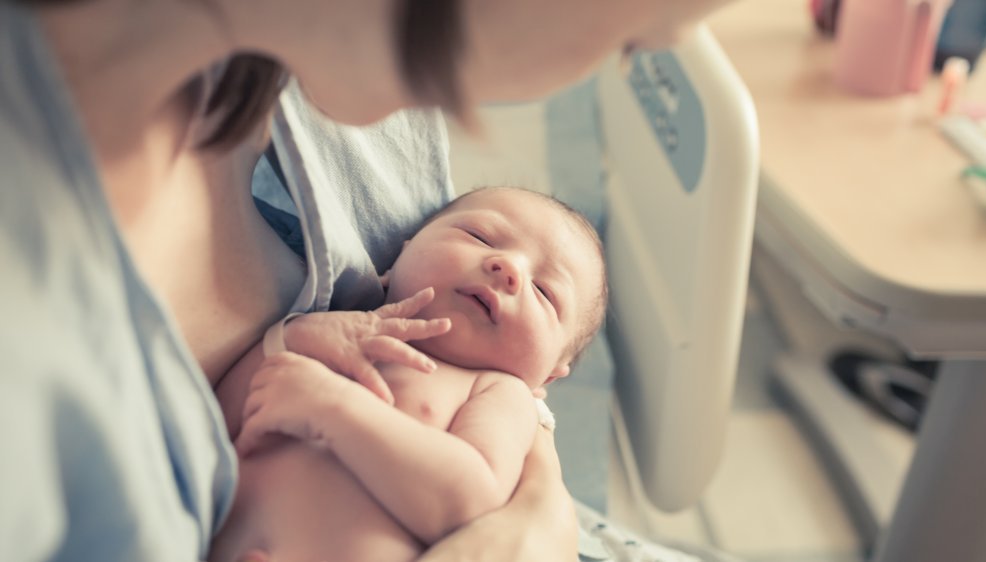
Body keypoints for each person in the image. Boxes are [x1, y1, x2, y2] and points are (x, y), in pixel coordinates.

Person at [0, 0, 736, 560]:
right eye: (634, 39)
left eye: (546, 293)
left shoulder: (342, 66)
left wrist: (540, 514)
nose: (507, 268)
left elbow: (499, 466)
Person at [208, 186, 608, 562]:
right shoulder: (334, 325)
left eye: (545, 293)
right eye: (480, 236)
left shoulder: (498, 392)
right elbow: (221, 412)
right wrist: (291, 339)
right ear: (402, 251)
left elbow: (467, 502)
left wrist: (332, 408)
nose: (509, 269)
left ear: (548, 378)